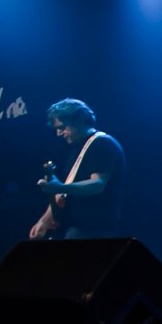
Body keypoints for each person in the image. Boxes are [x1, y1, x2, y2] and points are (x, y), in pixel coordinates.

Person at [29, 98, 125, 239]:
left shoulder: (102, 144)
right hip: (77, 227)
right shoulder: (76, 149)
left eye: (62, 127)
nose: (59, 133)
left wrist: (59, 187)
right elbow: (64, 190)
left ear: (79, 120)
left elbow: (97, 184)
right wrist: (45, 219)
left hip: (94, 229)